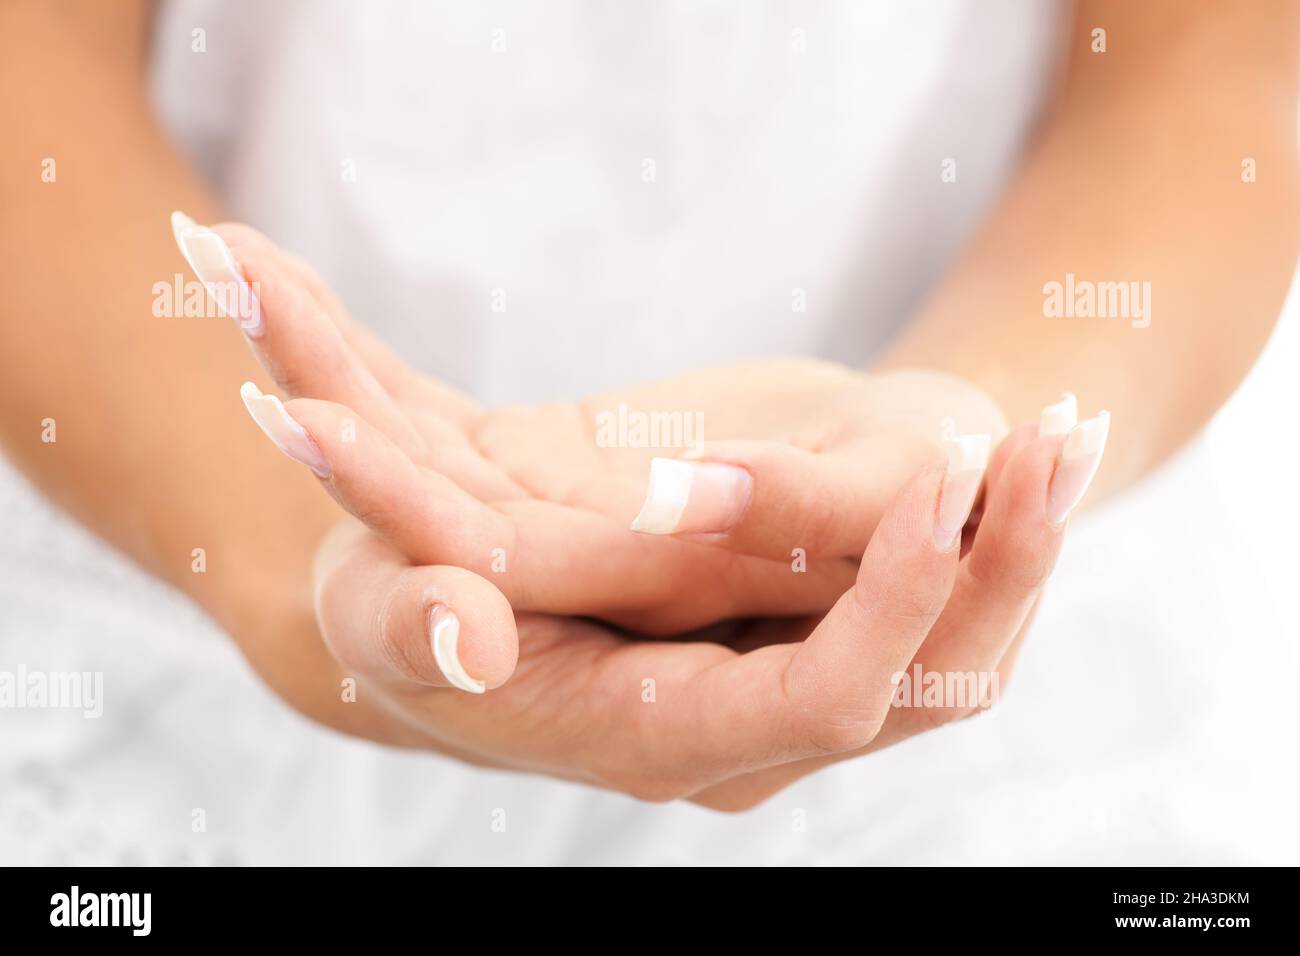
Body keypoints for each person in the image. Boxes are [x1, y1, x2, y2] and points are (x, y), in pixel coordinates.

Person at [1, 0, 1295, 864]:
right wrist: (286, 556)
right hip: (163, 619)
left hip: (1002, 730)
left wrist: (968, 447)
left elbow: (1215, 64)